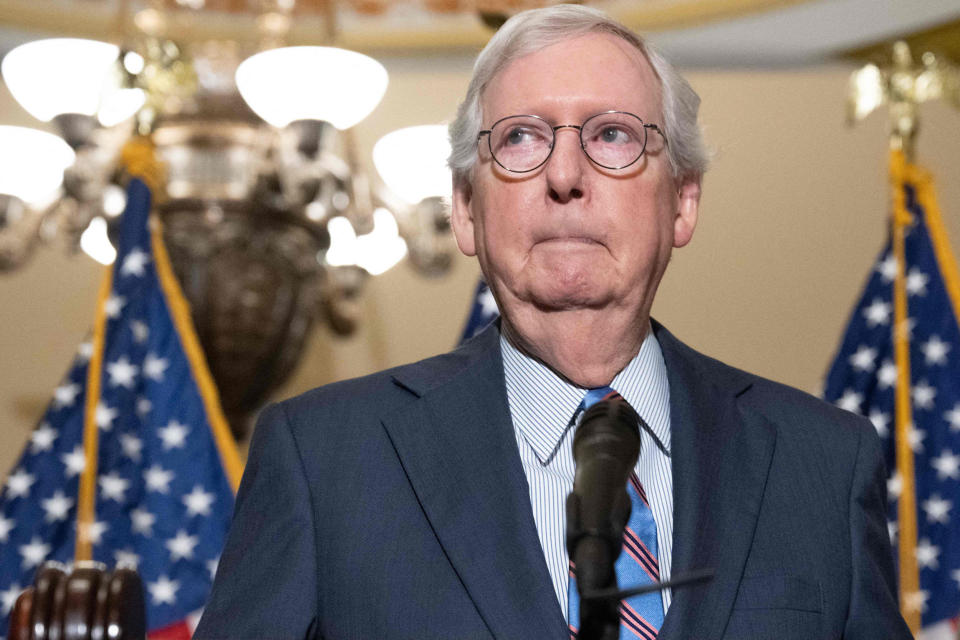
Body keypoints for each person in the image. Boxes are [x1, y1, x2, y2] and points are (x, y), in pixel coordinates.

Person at [195, 5, 911, 639]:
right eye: (520, 139)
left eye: (611, 135)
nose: (565, 175)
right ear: (467, 211)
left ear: (683, 202)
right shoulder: (323, 460)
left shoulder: (822, 463)